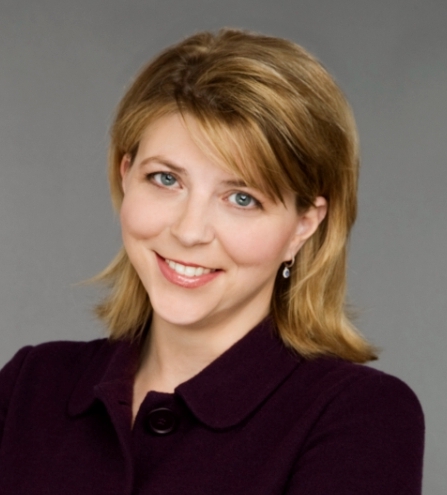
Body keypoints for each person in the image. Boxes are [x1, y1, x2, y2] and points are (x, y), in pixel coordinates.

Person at [0, 28, 424, 494]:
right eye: (166, 179)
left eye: (242, 198)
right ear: (126, 175)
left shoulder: (359, 415)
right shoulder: (30, 386)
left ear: (303, 225)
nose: (189, 231)